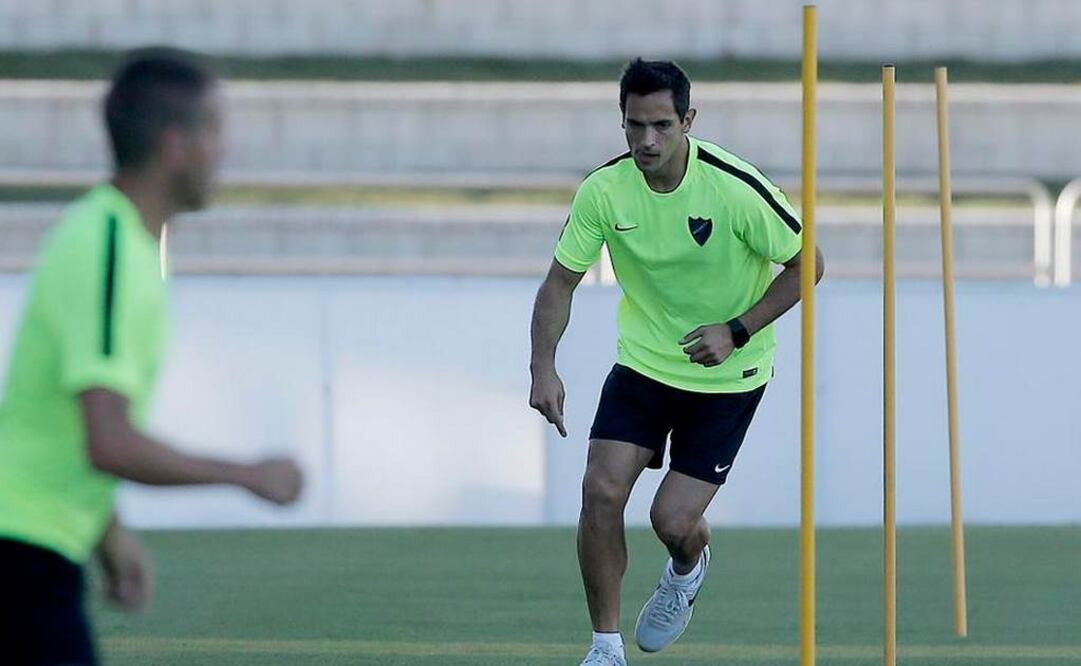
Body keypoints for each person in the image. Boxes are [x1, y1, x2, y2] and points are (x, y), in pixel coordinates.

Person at [0, 49, 304, 665]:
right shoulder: (107, 243)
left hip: (38, 552)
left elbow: (62, 425)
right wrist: (247, 475)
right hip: (17, 559)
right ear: (176, 145)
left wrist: (107, 535)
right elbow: (107, 439)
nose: (224, 151)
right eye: (214, 130)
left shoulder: (127, 246)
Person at [528, 58, 825, 666]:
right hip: (643, 365)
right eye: (634, 126)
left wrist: (737, 330)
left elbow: (808, 265)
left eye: (662, 125)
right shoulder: (603, 191)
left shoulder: (733, 188)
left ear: (689, 119)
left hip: (729, 375)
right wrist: (542, 366)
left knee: (672, 519)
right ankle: (605, 647)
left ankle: (687, 566)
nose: (647, 141)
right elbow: (560, 282)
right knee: (601, 490)